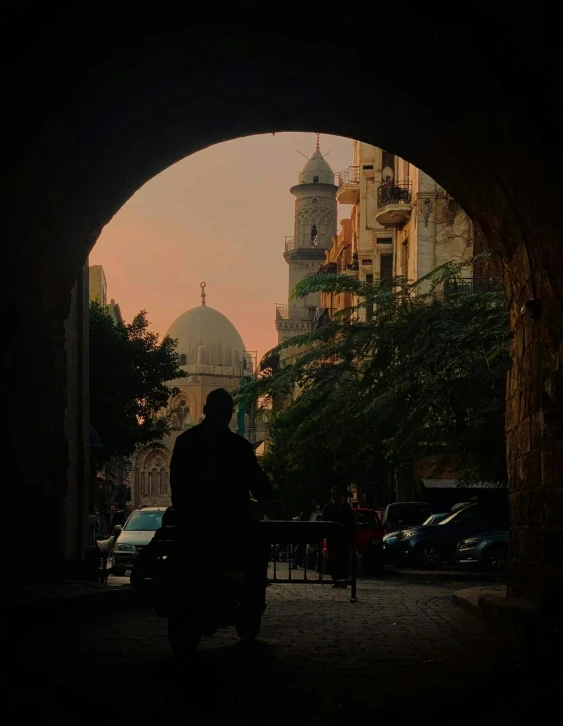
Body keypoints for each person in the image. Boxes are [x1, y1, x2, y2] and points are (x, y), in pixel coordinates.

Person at [170, 388, 273, 603]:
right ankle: (252, 601)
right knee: (257, 551)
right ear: (230, 414)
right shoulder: (240, 447)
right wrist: (269, 501)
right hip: (232, 525)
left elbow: (177, 484)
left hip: (192, 523)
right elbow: (259, 483)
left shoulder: (185, 441)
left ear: (206, 410)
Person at [322, 487, 355, 588]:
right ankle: (336, 579)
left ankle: (344, 580)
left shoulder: (346, 507)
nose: (335, 496)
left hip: (344, 538)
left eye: (337, 494)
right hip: (332, 538)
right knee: (333, 559)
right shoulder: (328, 507)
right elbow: (324, 521)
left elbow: (351, 522)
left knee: (344, 559)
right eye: (333, 494)